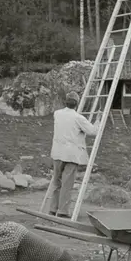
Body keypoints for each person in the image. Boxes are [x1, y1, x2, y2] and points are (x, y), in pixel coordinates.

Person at [49, 90, 97, 218]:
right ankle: (63, 211)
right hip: (71, 155)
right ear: (77, 104)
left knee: (57, 182)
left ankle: (53, 209)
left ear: (65, 102)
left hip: (57, 153)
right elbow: (92, 131)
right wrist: (98, 121)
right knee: (67, 184)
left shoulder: (57, 114)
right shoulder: (78, 118)